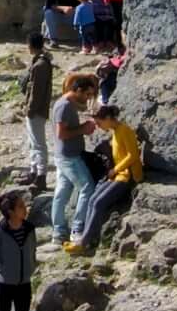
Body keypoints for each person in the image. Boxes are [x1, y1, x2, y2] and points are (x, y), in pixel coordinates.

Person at [74, 101, 142, 250]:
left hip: (126, 177)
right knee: (92, 199)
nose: (98, 127)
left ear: (108, 118)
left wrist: (115, 169)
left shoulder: (125, 131)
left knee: (98, 203)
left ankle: (84, 242)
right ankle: (85, 237)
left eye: (99, 123)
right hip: (117, 175)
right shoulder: (116, 132)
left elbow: (133, 155)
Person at [49, 72, 97, 243]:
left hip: (63, 156)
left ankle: (58, 232)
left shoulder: (68, 104)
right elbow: (61, 133)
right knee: (87, 187)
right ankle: (77, 229)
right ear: (77, 90)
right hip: (69, 157)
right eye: (86, 94)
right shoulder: (64, 106)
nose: (88, 97)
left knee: (61, 193)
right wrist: (83, 129)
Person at [22, 37, 57, 176]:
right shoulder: (39, 62)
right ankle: (34, 171)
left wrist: (30, 110)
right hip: (35, 109)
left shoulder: (40, 65)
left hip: (36, 110)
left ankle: (41, 174)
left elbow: (36, 91)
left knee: (38, 144)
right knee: (32, 143)